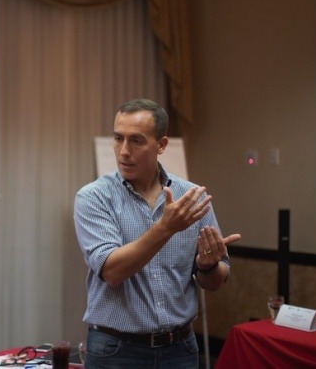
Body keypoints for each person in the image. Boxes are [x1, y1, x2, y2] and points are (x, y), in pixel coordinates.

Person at [74, 98, 241, 369]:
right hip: (116, 352)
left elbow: (216, 281)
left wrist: (208, 267)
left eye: (136, 141)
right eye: (118, 138)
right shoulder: (93, 197)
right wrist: (165, 228)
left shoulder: (191, 196)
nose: (123, 151)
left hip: (181, 349)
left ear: (161, 145)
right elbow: (113, 272)